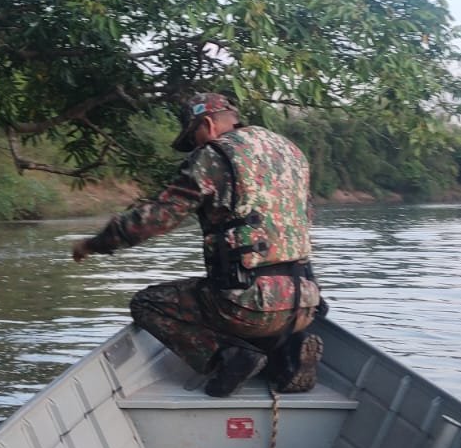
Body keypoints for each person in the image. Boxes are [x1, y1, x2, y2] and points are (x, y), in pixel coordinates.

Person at [71, 92, 323, 397]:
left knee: (147, 303)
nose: (194, 148)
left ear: (207, 124)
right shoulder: (292, 154)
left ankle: (229, 355)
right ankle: (291, 350)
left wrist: (94, 244)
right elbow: (305, 219)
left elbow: (155, 219)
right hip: (306, 303)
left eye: (193, 139)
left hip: (247, 308)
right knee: (255, 303)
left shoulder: (216, 155)